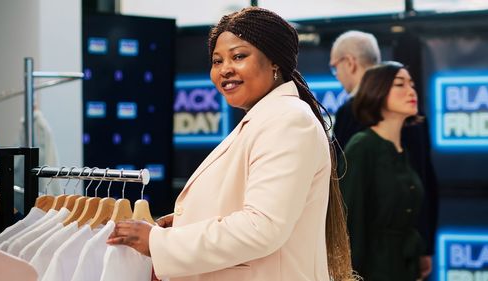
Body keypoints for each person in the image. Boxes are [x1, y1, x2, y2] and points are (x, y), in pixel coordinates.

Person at [107, 7, 356, 281]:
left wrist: (158, 242)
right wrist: (189, 222)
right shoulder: (268, 118)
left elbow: (262, 227)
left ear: (275, 62)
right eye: (217, 61)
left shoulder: (288, 120)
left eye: (238, 56)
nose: (224, 70)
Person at [330, 30, 437, 279]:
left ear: (350, 62)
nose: (412, 92)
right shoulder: (362, 145)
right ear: (379, 91)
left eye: (411, 84)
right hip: (373, 264)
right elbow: (350, 211)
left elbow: (426, 184)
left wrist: (423, 245)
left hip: (405, 261)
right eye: (400, 84)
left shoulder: (404, 145)